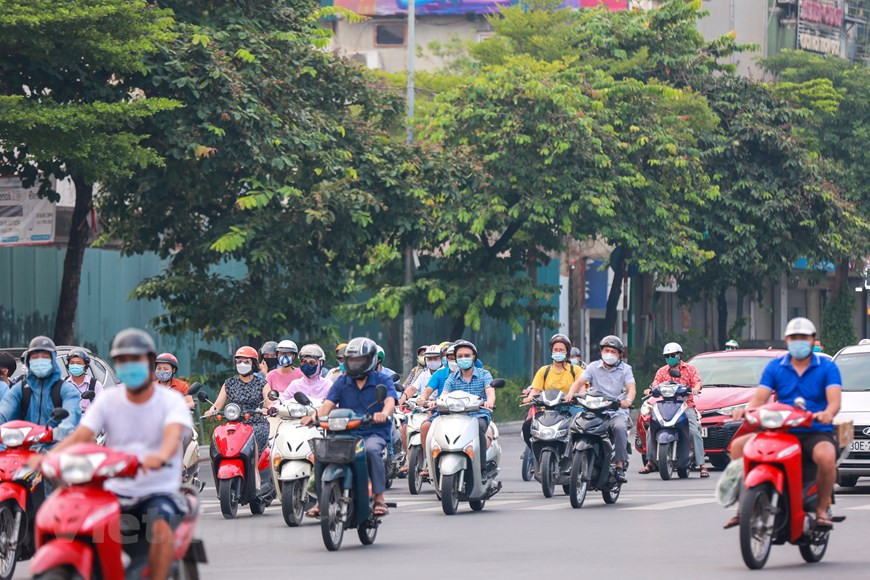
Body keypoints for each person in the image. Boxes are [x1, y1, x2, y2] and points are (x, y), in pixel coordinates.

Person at [33, 328, 192, 580]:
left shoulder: (170, 401)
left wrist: (159, 456)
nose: (129, 365)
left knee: (161, 528)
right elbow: (82, 434)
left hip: (156, 490)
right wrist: (48, 457)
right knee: (75, 522)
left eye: (136, 359)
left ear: (149, 362)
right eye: (123, 360)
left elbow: (173, 436)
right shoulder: (108, 399)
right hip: (112, 490)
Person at [725, 317, 841, 530]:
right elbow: (760, 398)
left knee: (826, 458)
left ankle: (821, 509)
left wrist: (826, 413)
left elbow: (834, 401)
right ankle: (744, 506)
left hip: (814, 429)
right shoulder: (775, 367)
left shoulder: (826, 367)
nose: (799, 342)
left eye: (803, 338)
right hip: (780, 429)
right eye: (794, 338)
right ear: (787, 341)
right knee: (739, 446)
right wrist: (745, 410)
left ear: (813, 340)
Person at [301, 337, 397, 517]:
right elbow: (327, 406)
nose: (355, 363)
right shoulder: (341, 381)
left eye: (359, 359)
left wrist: (383, 413)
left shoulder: (382, 380)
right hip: (345, 432)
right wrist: (313, 417)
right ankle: (321, 501)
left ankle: (379, 497)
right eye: (351, 360)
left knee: (371, 451)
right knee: (322, 452)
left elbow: (390, 401)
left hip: (373, 432)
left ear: (370, 360)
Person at [565, 335, 635, 483]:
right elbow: (579, 382)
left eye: (613, 352)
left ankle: (619, 465)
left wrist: (627, 401)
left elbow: (631, 388)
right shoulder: (592, 367)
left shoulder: (626, 369)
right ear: (601, 351)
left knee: (620, 427)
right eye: (607, 350)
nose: (609, 354)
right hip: (594, 410)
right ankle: (569, 461)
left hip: (616, 411)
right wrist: (571, 394)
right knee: (574, 424)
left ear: (620, 354)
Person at [639, 342, 708, 477]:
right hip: (665, 405)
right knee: (651, 429)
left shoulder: (689, 369)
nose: (670, 358)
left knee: (694, 431)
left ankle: (702, 465)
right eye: (667, 356)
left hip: (685, 405)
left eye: (673, 355)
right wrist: (650, 390)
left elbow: (698, 382)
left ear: (679, 355)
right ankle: (650, 462)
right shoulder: (661, 371)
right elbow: (655, 385)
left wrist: (695, 388)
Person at [0, 336, 81, 445]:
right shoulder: (20, 389)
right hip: (21, 449)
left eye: (45, 357)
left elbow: (71, 416)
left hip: (56, 451)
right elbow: (4, 412)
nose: (40, 360)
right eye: (35, 357)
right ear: (29, 361)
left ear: (53, 359)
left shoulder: (67, 390)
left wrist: (58, 432)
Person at [439, 340, 496, 480]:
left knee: (478, 429)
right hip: (455, 417)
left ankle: (482, 469)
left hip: (478, 415)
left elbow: (490, 391)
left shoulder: (484, 374)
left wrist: (489, 402)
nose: (463, 359)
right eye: (460, 356)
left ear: (474, 357)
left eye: (467, 355)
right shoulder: (452, 378)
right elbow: (444, 395)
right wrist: (436, 402)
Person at [205, 346, 273, 453]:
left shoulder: (262, 384)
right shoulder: (229, 383)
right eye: (239, 361)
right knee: (219, 438)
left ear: (253, 364)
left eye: (246, 361)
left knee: (253, 441)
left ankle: (254, 467)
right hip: (234, 424)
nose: (242, 364)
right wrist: (211, 411)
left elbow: (270, 403)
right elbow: (217, 405)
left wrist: (269, 409)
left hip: (256, 424)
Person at [521, 334, 584, 448]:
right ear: (551, 351)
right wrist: (530, 398)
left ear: (567, 352)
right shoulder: (543, 370)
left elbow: (582, 390)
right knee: (527, 426)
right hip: (548, 410)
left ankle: (574, 455)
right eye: (555, 350)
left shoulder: (576, 370)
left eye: (561, 350)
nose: (558, 352)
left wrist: (576, 397)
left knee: (580, 429)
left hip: (570, 409)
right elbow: (536, 390)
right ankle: (535, 457)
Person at [64, 348, 104, 413]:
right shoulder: (63, 383)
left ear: (85, 366)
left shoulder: (95, 385)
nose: (75, 366)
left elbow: (101, 408)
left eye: (78, 363)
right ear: (68, 366)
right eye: (72, 363)